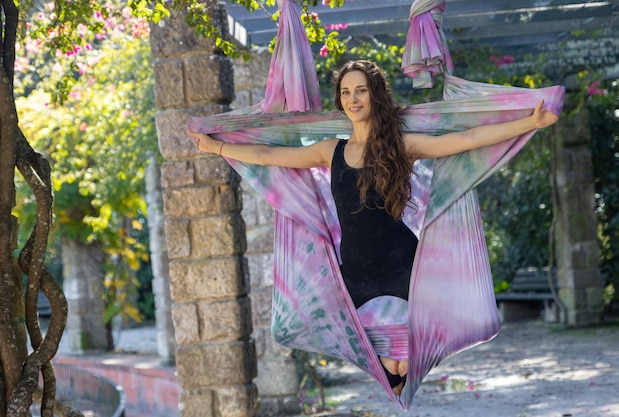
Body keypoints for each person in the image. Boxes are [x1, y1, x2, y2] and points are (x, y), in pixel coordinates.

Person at [187, 59, 559, 395]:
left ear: (374, 95)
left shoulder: (400, 145)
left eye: (361, 90)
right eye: (346, 92)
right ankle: (396, 386)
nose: (353, 99)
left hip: (404, 264)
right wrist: (216, 148)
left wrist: (529, 123)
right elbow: (269, 156)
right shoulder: (329, 149)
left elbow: (463, 140)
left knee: (405, 366)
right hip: (356, 272)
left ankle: (403, 386)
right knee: (376, 365)